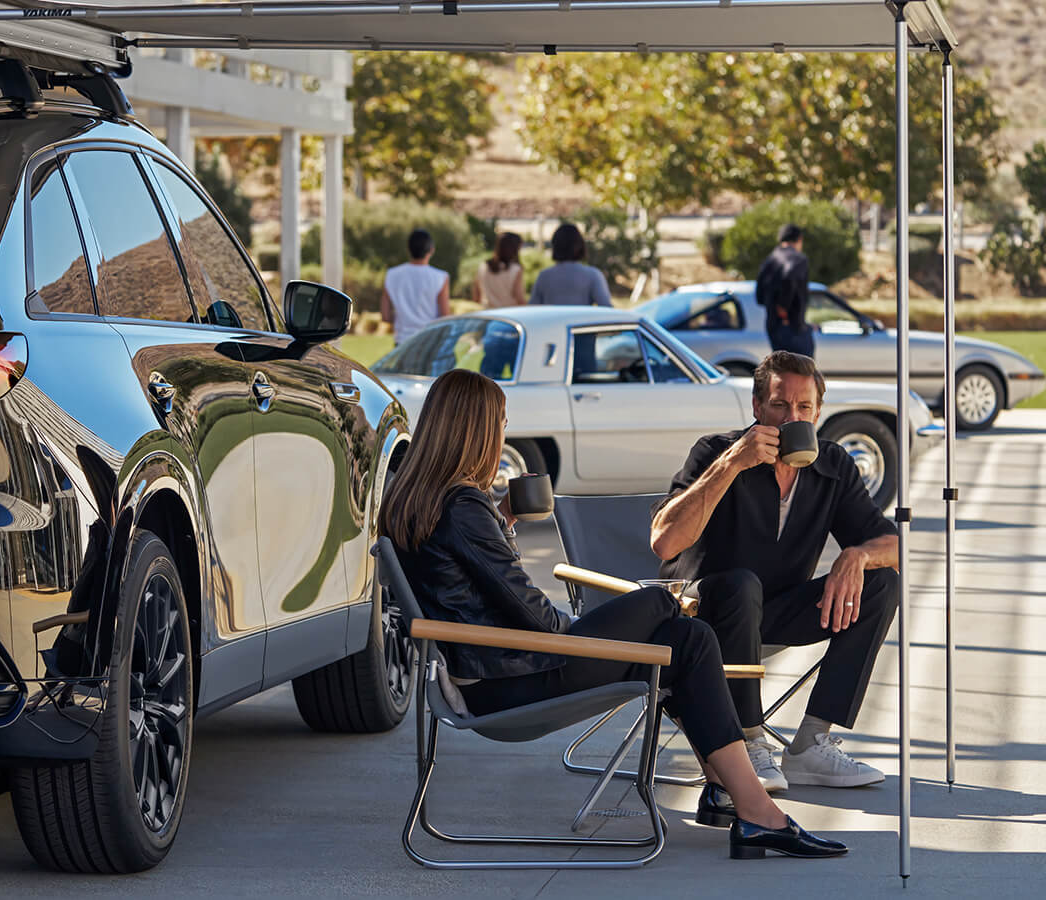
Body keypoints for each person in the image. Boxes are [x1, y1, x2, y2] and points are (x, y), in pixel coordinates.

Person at [382, 369, 847, 859]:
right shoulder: (462, 507)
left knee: (685, 641)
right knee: (659, 604)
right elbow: (535, 617)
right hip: (511, 682)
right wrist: (580, 633)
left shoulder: (417, 500)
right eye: (499, 423)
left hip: (490, 675)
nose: (502, 435)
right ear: (473, 431)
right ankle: (751, 808)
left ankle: (745, 805)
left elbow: (475, 590)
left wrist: (504, 523)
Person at [651, 351, 899, 792]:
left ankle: (810, 744)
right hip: (700, 617)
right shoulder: (715, 452)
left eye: (804, 408)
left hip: (774, 610)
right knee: (741, 584)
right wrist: (732, 464)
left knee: (882, 582)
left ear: (818, 413)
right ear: (757, 408)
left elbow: (896, 546)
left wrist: (858, 556)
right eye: (781, 405)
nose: (792, 417)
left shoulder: (833, 465)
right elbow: (664, 542)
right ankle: (746, 739)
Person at [381, 228, 452, 344]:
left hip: (402, 343)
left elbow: (386, 316)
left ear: (408, 249)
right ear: (431, 250)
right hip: (429, 341)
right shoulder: (441, 277)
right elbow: (444, 317)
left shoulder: (391, 275)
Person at [755, 224, 815, 356]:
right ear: (799, 239)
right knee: (804, 370)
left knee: (781, 369)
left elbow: (759, 296)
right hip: (791, 325)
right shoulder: (798, 259)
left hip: (773, 325)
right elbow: (789, 276)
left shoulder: (770, 259)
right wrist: (783, 306)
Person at [528, 223, 612, 307]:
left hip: (553, 320)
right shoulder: (593, 275)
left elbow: (532, 309)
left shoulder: (544, 276)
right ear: (580, 246)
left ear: (555, 246)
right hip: (581, 320)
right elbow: (606, 308)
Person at [473, 232, 525, 308]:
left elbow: (476, 296)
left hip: (488, 314)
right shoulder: (516, 269)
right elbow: (519, 298)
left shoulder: (483, 266)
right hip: (509, 315)